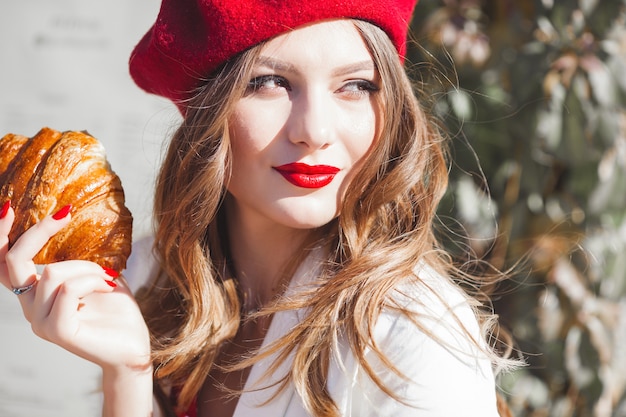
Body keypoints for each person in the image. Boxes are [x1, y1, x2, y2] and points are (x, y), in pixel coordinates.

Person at [0, 0, 519, 416]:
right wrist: (130, 374)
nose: (314, 131)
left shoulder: (415, 338)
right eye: (270, 83)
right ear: (207, 114)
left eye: (356, 86)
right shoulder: (152, 275)